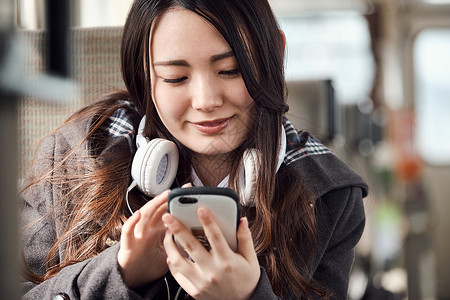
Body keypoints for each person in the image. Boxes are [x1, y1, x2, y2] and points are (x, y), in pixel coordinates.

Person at [20, 0, 368, 299]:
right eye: (175, 77)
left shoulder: (330, 197)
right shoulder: (76, 154)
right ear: (144, 74)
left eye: (230, 70)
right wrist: (119, 273)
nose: (206, 102)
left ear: (273, 54)